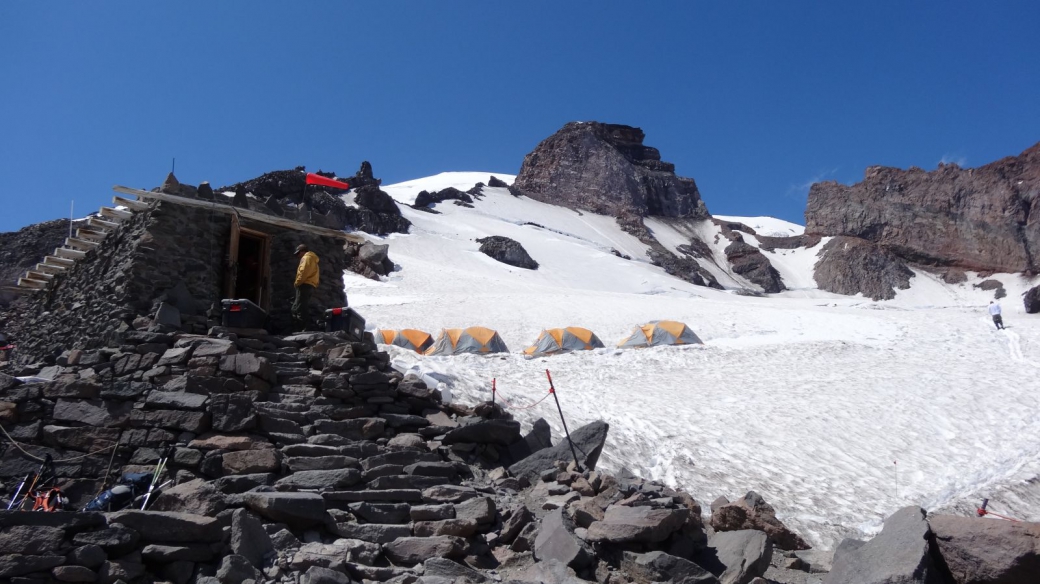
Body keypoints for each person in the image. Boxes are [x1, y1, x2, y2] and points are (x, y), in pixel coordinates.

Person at [292, 244, 320, 332]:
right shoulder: (313, 259)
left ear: (303, 251)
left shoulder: (306, 258)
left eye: (299, 253)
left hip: (304, 284)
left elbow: (303, 272)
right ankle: (302, 328)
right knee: (301, 305)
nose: (298, 256)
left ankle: (303, 328)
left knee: (300, 307)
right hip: (310, 285)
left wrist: (297, 283)